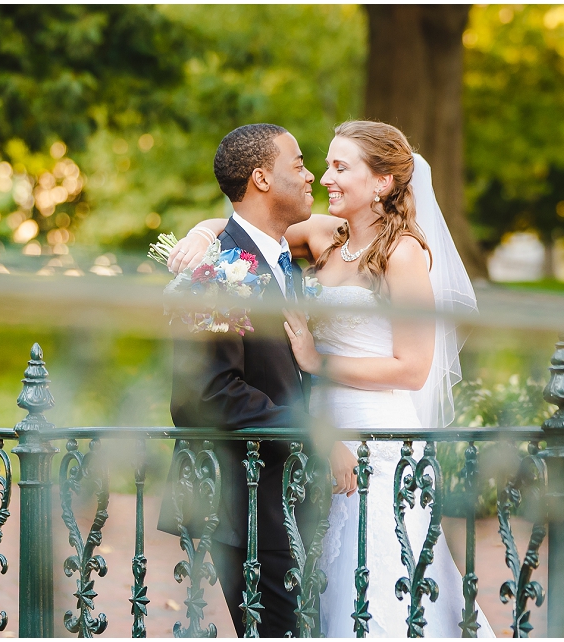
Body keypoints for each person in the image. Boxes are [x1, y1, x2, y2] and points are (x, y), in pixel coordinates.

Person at [168, 120, 492, 637]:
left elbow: (413, 368)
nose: (323, 177)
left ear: (383, 182)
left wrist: (318, 362)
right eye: (318, 165)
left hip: (373, 432)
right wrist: (199, 235)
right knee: (322, 596)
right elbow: (242, 227)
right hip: (310, 440)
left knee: (379, 585)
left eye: (340, 167)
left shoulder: (403, 252)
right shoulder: (324, 238)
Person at [155, 123, 358, 638]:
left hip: (287, 499)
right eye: (298, 164)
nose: (310, 174)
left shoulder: (281, 263)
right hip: (244, 504)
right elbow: (207, 394)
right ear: (262, 179)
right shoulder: (216, 271)